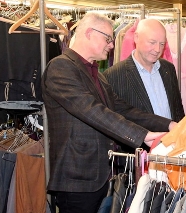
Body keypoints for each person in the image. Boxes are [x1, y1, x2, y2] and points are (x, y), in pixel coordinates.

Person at [42, 12, 176, 213]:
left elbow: (123, 109)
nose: (112, 45)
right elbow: (92, 111)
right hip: (77, 179)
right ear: (89, 33)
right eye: (108, 38)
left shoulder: (96, 74)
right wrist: (143, 136)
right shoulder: (60, 67)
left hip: (101, 177)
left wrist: (168, 124)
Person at [103, 18, 185, 122]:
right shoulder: (113, 76)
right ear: (136, 37)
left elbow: (178, 110)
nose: (157, 50)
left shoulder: (168, 68)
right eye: (152, 42)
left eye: (162, 44)